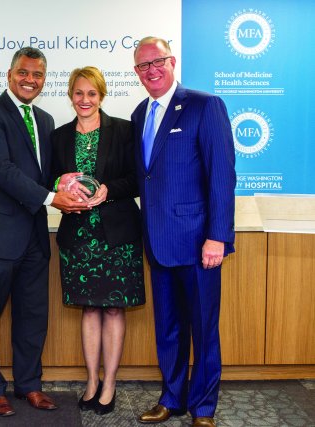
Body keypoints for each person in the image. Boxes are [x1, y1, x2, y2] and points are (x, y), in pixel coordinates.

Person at [0, 47, 89, 417]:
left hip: (35, 236)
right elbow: (0, 169)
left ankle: (29, 384)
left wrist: (62, 180)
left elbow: (40, 174)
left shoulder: (46, 119)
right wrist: (53, 197)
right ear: (9, 74)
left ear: (44, 80)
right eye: (23, 72)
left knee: (33, 315)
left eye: (37, 75)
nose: (30, 80)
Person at [131, 37, 236, 427]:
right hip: (158, 243)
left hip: (198, 244)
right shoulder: (140, 112)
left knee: (204, 329)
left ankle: (204, 408)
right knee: (169, 329)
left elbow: (222, 176)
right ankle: (172, 397)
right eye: (143, 66)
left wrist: (218, 236)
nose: (151, 70)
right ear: (137, 73)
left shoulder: (204, 105)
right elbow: (146, 176)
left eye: (157, 61)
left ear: (172, 62)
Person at [51, 66, 145, 416]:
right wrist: (60, 183)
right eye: (78, 93)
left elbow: (138, 179)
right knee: (89, 308)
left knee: (114, 307)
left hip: (117, 236)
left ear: (101, 96)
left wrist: (108, 191)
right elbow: (49, 180)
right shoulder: (59, 136)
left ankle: (110, 384)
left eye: (91, 93)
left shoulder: (123, 130)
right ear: (70, 95)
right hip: (78, 236)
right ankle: (92, 380)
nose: (84, 100)